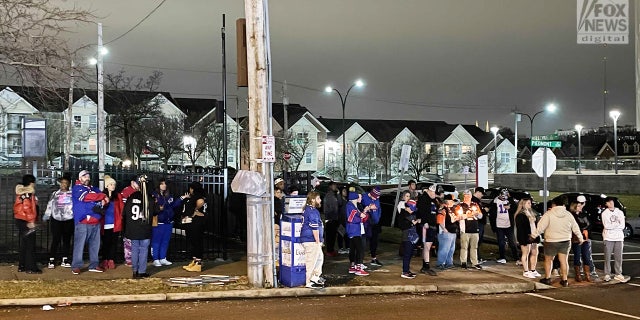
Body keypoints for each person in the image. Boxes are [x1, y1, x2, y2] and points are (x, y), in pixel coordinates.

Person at [530, 197, 584, 287]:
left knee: (548, 260)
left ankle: (547, 278)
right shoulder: (568, 214)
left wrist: (533, 236)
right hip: (565, 240)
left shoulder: (549, 214)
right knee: (564, 261)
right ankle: (565, 280)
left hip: (551, 240)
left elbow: (541, 227)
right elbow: (575, 227)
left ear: (554, 204)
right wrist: (580, 238)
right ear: (563, 205)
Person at [71, 170, 108, 275]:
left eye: (88, 176)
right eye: (84, 176)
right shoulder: (77, 188)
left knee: (95, 245)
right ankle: (76, 265)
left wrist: (102, 198)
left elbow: (104, 199)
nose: (87, 178)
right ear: (79, 178)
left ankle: (94, 264)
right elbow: (88, 197)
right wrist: (102, 197)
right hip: (83, 221)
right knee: (79, 245)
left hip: (95, 221)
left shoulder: (93, 188)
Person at [122, 175, 153, 278]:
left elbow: (125, 212)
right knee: (143, 249)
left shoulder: (132, 196)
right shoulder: (148, 198)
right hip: (144, 228)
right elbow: (155, 211)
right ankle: (141, 271)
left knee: (134, 249)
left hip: (133, 227)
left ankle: (135, 271)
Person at [151, 179, 187, 267]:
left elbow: (173, 205)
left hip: (168, 221)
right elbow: (154, 207)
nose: (164, 185)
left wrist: (181, 198)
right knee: (156, 241)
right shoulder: (154, 195)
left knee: (165, 241)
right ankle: (156, 259)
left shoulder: (169, 195)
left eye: (165, 184)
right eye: (162, 184)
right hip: (159, 222)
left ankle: (163, 258)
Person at [43, 174, 74, 269]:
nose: (63, 185)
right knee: (56, 239)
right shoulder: (55, 194)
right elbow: (50, 205)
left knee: (66, 240)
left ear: (69, 184)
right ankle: (52, 259)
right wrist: (47, 215)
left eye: (66, 183)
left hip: (68, 219)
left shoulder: (72, 194)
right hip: (56, 219)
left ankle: (65, 258)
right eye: (62, 183)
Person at [14, 174, 41, 274]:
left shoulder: (22, 193)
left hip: (20, 219)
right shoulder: (28, 194)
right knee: (30, 245)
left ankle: (22, 265)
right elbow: (27, 208)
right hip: (26, 220)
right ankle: (31, 267)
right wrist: (31, 221)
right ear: (31, 183)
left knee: (25, 244)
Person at [181, 181, 208, 272]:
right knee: (193, 241)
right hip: (193, 222)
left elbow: (201, 202)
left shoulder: (198, 197)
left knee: (196, 241)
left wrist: (194, 210)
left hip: (196, 223)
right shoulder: (197, 196)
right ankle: (195, 261)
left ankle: (198, 263)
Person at [601, 197, 629, 283]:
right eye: (609, 202)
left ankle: (618, 273)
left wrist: (614, 226)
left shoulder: (619, 212)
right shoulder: (605, 213)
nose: (611, 203)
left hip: (619, 237)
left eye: (611, 201)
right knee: (607, 256)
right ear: (606, 204)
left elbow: (622, 226)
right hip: (608, 237)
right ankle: (607, 274)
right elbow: (607, 226)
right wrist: (616, 225)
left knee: (618, 257)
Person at [300, 191, 325, 288]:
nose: (320, 200)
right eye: (318, 198)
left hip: (310, 240)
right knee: (312, 261)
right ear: (313, 200)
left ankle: (315, 278)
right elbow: (314, 228)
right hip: (311, 240)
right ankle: (309, 282)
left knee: (319, 258)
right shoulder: (312, 211)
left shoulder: (308, 209)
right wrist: (318, 242)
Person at [346, 189, 372, 276]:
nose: (359, 198)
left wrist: (362, 213)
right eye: (358, 197)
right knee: (360, 249)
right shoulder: (351, 206)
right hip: (354, 230)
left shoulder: (352, 206)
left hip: (354, 230)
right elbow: (350, 218)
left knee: (353, 248)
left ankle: (353, 267)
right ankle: (358, 268)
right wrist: (361, 217)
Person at [100, 175, 123, 270]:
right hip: (105, 224)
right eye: (111, 184)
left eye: (114, 184)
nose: (113, 186)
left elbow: (121, 208)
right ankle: (105, 259)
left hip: (114, 223)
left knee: (113, 243)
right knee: (105, 243)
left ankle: (111, 259)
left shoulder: (117, 196)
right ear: (106, 186)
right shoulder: (102, 196)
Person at [456, 190, 483, 270]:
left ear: (471, 196)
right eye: (465, 195)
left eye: (468, 195)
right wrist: (468, 215)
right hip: (465, 229)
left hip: (475, 229)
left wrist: (477, 214)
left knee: (474, 247)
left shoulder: (475, 204)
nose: (466, 197)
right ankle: (463, 262)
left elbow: (481, 216)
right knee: (464, 247)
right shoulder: (460, 205)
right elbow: (458, 217)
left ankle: (475, 262)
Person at [514, 196, 540, 279]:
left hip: (534, 235)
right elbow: (520, 229)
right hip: (526, 237)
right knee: (526, 253)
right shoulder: (520, 215)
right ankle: (526, 271)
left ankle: (533, 270)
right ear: (523, 204)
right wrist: (523, 239)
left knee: (535, 252)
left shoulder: (531, 213)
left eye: (530, 203)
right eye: (528, 203)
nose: (530, 205)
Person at [490, 189, 518, 264]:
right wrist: (493, 226)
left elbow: (515, 208)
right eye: (502, 196)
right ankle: (502, 257)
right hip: (499, 224)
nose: (504, 198)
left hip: (508, 224)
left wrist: (510, 207)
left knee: (512, 242)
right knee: (501, 242)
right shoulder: (495, 201)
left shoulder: (510, 200)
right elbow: (492, 214)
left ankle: (516, 257)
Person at [416, 184, 439, 276]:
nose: (435, 195)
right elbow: (421, 211)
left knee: (428, 246)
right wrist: (425, 222)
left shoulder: (432, 200)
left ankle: (426, 265)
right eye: (434, 193)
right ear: (430, 191)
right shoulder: (423, 199)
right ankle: (425, 266)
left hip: (432, 225)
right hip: (426, 226)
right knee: (426, 246)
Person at [569, 195, 592, 282]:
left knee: (586, 256)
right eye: (578, 206)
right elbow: (576, 226)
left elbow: (589, 224)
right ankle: (578, 274)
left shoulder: (584, 214)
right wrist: (583, 228)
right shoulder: (572, 215)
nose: (580, 207)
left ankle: (587, 274)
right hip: (576, 239)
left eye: (581, 205)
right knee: (577, 256)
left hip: (585, 238)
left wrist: (586, 229)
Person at [120, 177, 141, 267]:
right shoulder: (127, 191)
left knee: (136, 239)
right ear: (132, 182)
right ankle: (129, 259)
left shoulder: (139, 191)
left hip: (136, 219)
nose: (139, 185)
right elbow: (124, 207)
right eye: (137, 183)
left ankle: (135, 258)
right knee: (128, 240)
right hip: (129, 219)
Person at [436, 194, 461, 270]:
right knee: (444, 249)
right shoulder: (443, 209)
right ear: (448, 201)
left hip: (452, 232)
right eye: (452, 201)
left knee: (451, 249)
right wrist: (444, 229)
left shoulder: (451, 209)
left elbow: (453, 219)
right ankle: (441, 263)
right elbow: (439, 220)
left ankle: (449, 263)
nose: (453, 202)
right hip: (446, 232)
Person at [399, 199, 420, 279]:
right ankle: (405, 271)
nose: (412, 211)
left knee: (410, 254)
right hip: (407, 236)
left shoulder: (413, 213)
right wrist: (411, 223)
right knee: (407, 254)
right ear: (407, 207)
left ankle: (407, 270)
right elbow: (402, 226)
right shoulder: (403, 214)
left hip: (413, 237)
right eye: (411, 209)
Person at [362, 186, 382, 266]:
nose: (375, 199)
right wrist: (369, 207)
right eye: (375, 197)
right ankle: (360, 260)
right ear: (371, 194)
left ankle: (374, 258)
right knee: (363, 242)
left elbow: (379, 209)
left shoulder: (377, 199)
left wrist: (378, 218)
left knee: (374, 242)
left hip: (375, 223)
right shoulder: (364, 198)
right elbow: (361, 208)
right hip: (367, 224)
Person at [323, 182, 340, 257]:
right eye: (334, 185)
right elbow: (331, 208)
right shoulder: (329, 195)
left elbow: (339, 204)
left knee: (333, 235)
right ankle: (329, 250)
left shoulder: (334, 195)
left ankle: (331, 249)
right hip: (330, 218)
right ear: (330, 186)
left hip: (333, 218)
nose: (335, 187)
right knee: (330, 236)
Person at [472, 187, 488, 263]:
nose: (482, 196)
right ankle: (476, 258)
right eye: (481, 194)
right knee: (476, 241)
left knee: (478, 241)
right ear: (477, 192)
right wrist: (485, 211)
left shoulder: (478, 201)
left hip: (480, 223)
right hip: (477, 223)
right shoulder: (474, 201)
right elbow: (478, 213)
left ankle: (477, 257)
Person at [336, 186, 349, 254]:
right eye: (344, 191)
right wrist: (338, 194)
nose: (345, 192)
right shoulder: (340, 200)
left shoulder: (347, 200)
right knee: (341, 234)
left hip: (346, 220)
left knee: (346, 235)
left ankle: (347, 247)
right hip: (341, 220)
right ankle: (340, 248)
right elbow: (340, 203)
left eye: (346, 191)